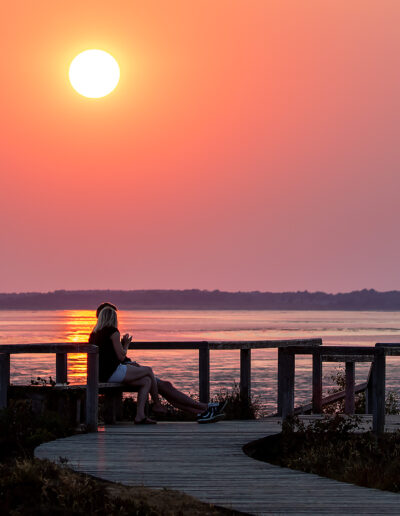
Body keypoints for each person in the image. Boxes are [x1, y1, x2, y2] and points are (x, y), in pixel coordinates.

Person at [90, 303, 226, 424]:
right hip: (116, 372)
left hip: (115, 371)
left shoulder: (95, 334)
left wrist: (130, 363)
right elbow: (118, 357)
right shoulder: (111, 332)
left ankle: (202, 411)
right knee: (158, 381)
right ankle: (202, 407)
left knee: (151, 382)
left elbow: (109, 357)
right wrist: (125, 345)